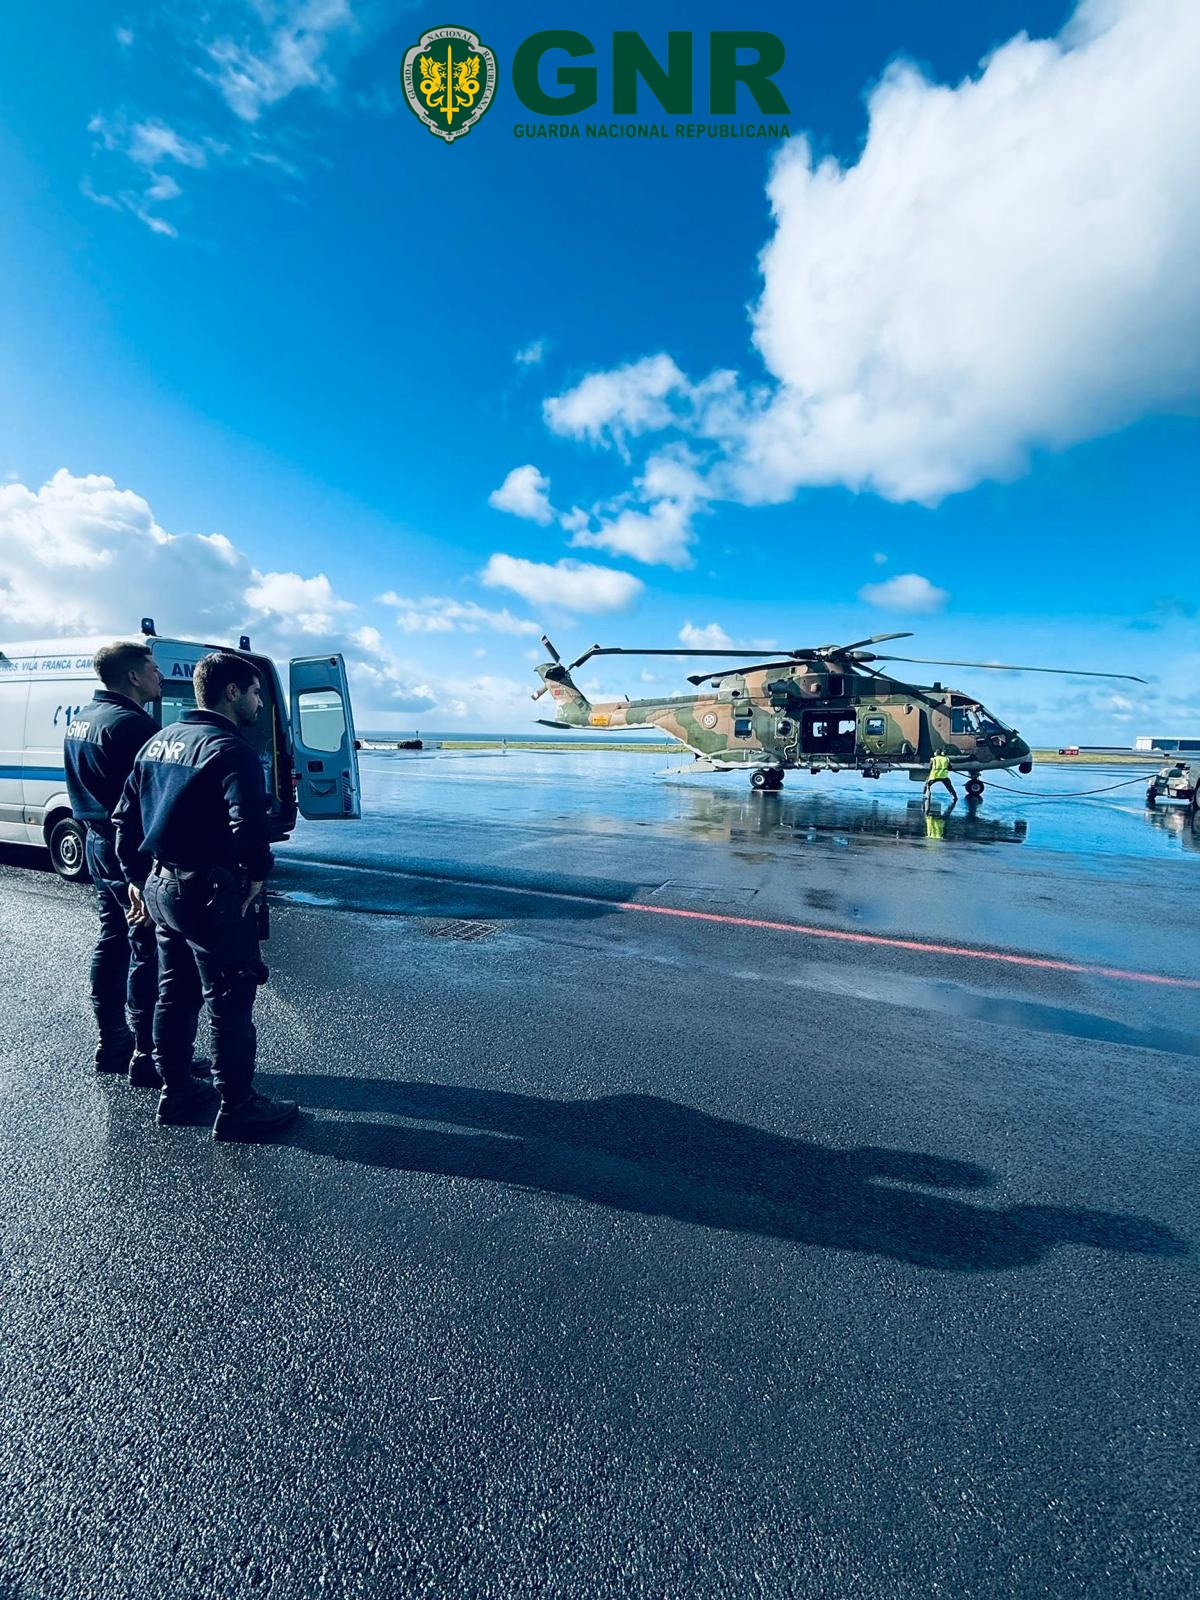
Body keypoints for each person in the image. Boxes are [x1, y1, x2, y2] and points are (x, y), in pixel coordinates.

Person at [114, 652, 298, 1141]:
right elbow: (249, 824)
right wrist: (258, 874)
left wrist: (135, 878)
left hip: (161, 887)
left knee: (174, 993)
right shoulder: (230, 749)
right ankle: (237, 1106)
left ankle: (176, 1093)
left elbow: (124, 820)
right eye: (256, 693)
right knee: (230, 997)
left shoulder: (158, 741)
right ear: (232, 692)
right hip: (209, 893)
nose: (260, 702)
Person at [63, 640, 203, 1087]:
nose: (160, 677)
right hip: (131, 853)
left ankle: (112, 1042)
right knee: (146, 949)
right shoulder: (132, 726)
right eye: (153, 669)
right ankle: (148, 1055)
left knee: (112, 940)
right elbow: (148, 802)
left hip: (96, 843)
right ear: (132, 677)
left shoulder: (82, 719)